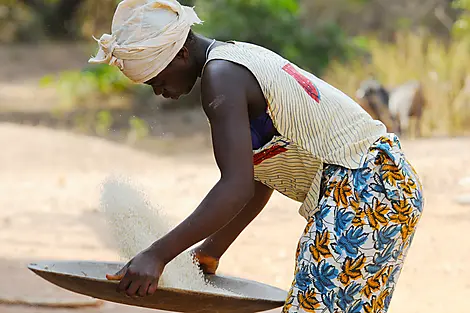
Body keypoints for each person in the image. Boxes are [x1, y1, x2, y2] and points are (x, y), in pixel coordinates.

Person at [90, 1, 424, 312]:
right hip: (388, 183)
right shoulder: (236, 60)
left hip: (361, 189)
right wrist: (209, 251)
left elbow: (235, 187)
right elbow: (256, 179)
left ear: (179, 54)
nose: (160, 92)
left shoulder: (221, 77)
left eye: (157, 80)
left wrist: (156, 255)